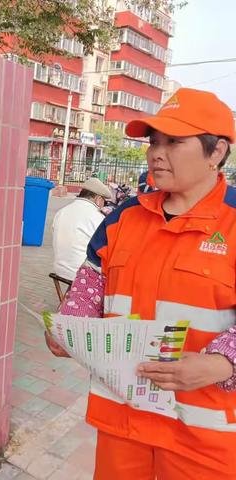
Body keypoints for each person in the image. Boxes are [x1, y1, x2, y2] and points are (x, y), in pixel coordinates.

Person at [46, 88, 236, 479]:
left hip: (203, 435)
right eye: (153, 141)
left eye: (173, 142)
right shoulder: (124, 217)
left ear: (216, 152)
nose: (155, 153)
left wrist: (221, 362)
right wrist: (69, 328)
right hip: (123, 418)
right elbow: (90, 286)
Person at [52, 177, 111, 281]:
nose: (103, 205)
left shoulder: (62, 211)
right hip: (81, 274)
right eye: (104, 202)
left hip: (59, 270)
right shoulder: (97, 217)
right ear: (98, 199)